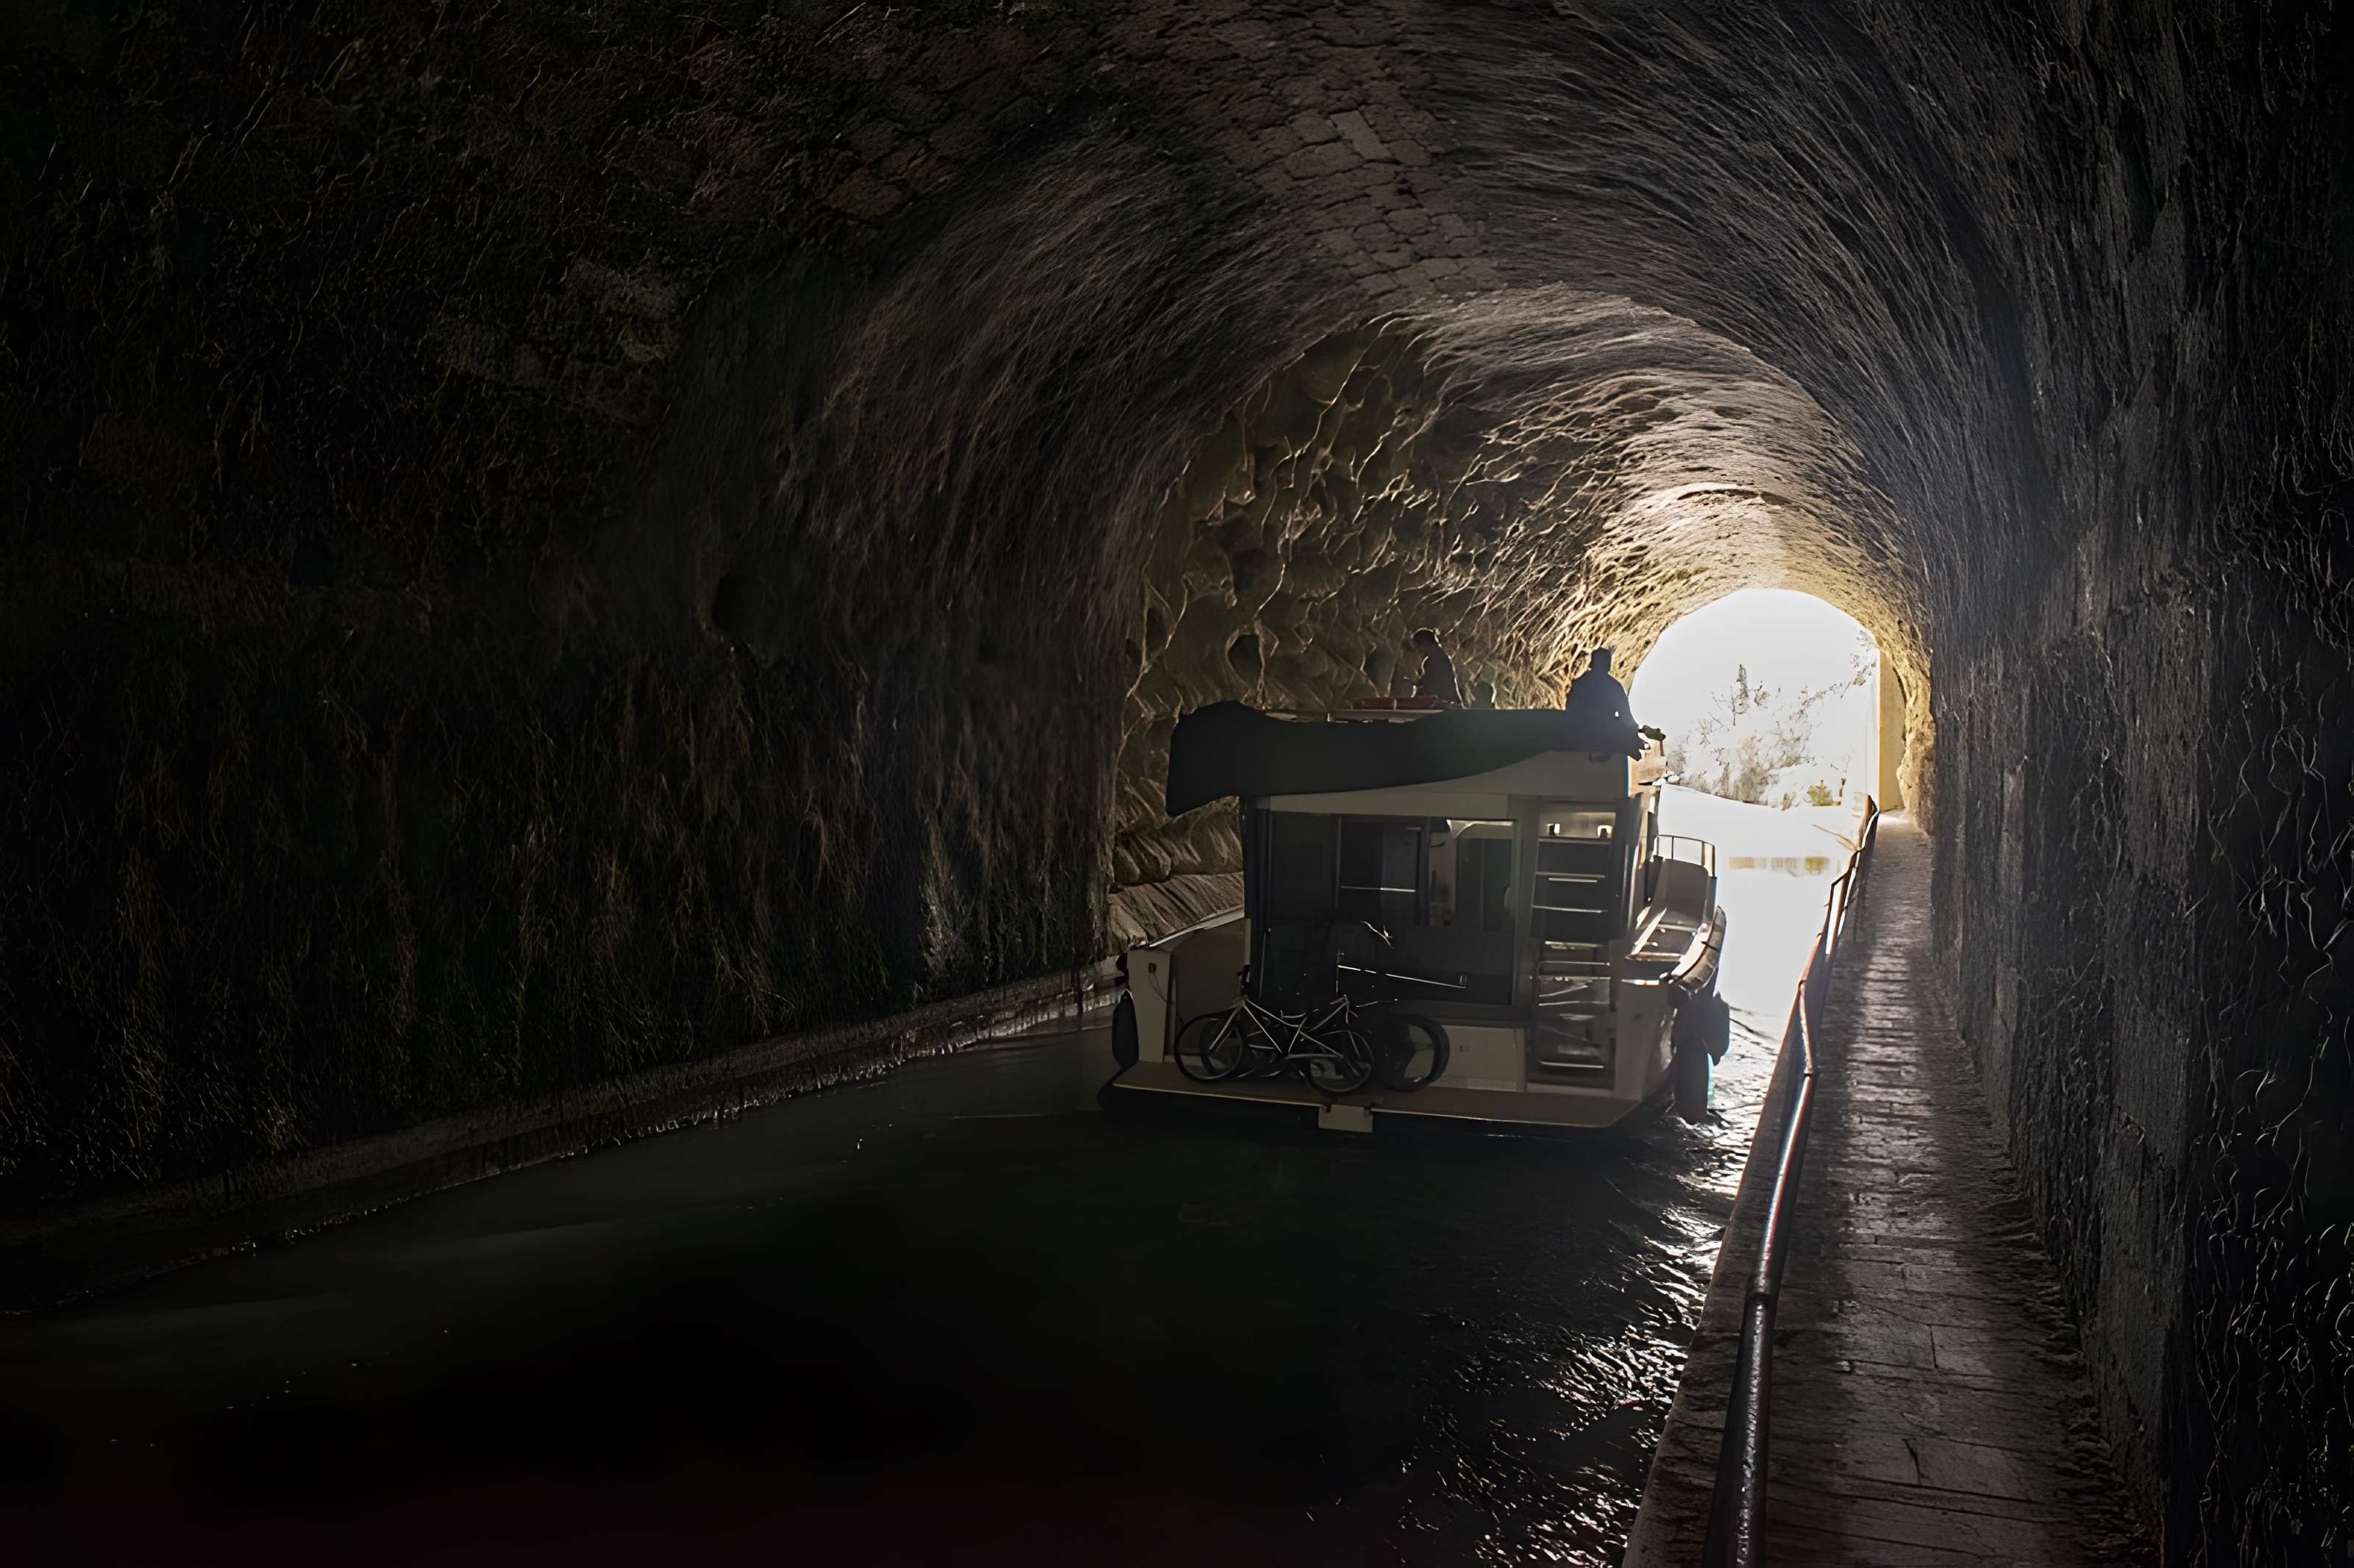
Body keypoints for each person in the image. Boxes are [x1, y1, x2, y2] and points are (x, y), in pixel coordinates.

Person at [1562, 647, 1640, 752]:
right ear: (1607, 664)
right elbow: (1626, 717)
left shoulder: (1579, 682)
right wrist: (1634, 727)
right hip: (1604, 736)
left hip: (1578, 734)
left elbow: (1570, 709)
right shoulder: (1614, 687)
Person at [1409, 628, 1462, 706]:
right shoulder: (1440, 656)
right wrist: (1417, 682)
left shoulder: (1435, 660)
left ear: (1425, 643)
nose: (1418, 650)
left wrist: (1412, 701)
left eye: (1418, 647)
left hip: (1447, 704)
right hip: (1448, 703)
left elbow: (1429, 686)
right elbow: (1427, 680)